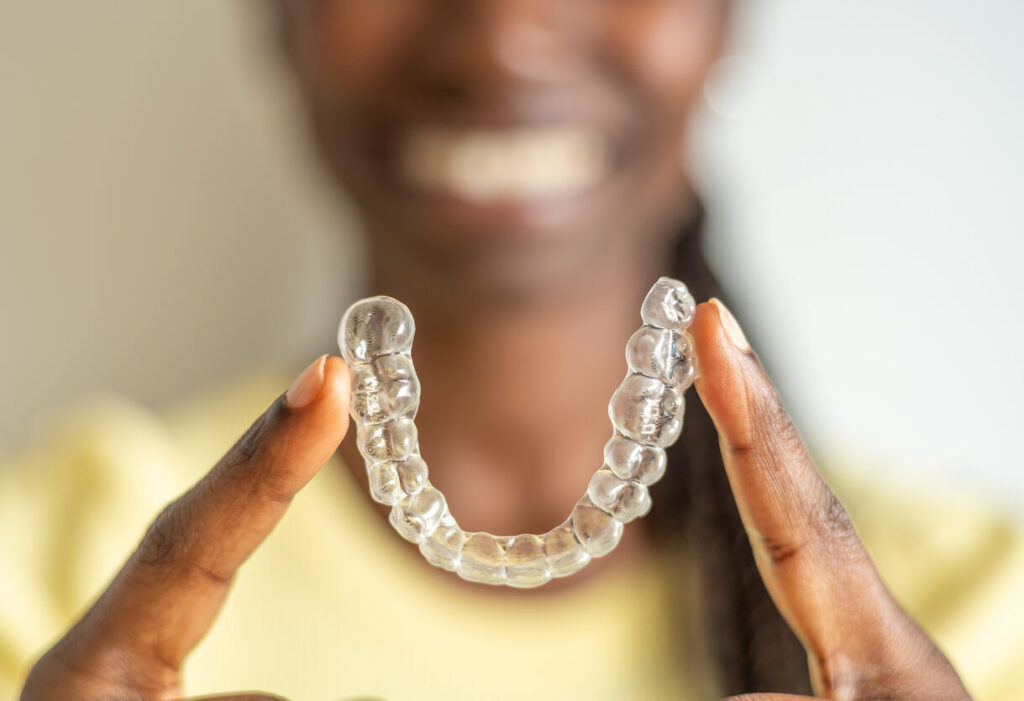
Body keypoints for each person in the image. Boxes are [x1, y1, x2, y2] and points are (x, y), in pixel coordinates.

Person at [3, 1, 1021, 699]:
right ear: (283, 15)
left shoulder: (985, 612)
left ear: (723, 17)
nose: (500, 36)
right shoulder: (39, 573)